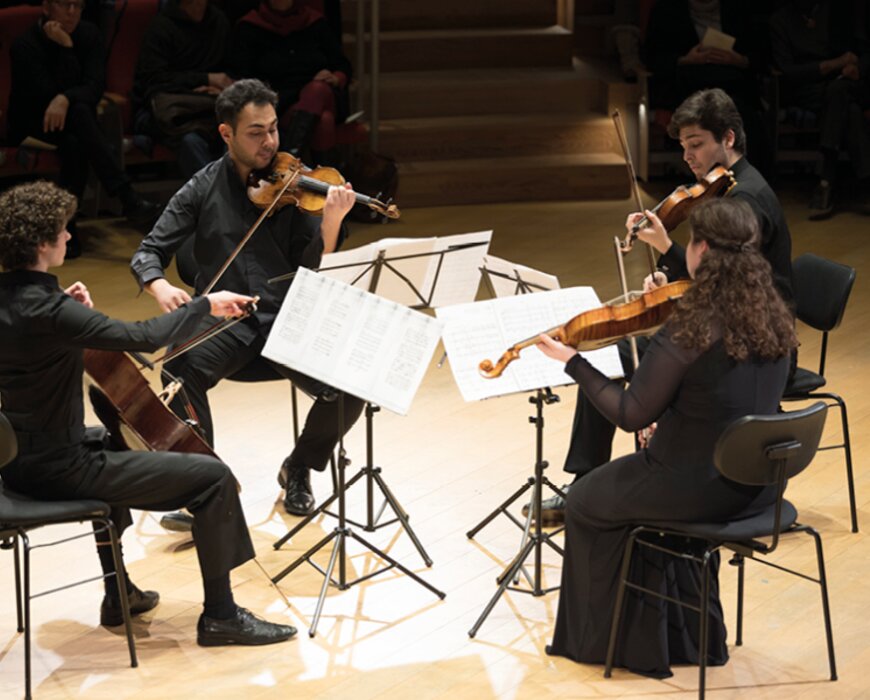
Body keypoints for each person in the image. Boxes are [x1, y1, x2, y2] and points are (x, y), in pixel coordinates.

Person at [0, 180, 296, 646]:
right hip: (60, 470)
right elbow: (142, 337)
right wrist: (206, 306)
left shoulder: (17, 303)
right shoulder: (51, 311)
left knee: (112, 436)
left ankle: (120, 595)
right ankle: (221, 615)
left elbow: (40, 347)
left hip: (16, 464)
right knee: (212, 478)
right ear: (41, 243)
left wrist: (74, 318)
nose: (70, 237)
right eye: (62, 231)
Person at [539, 197, 798, 676]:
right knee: (625, 490)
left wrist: (573, 362)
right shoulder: (774, 316)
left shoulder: (689, 327)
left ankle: (615, 642)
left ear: (699, 250)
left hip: (696, 489)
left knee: (585, 500)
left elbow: (631, 414)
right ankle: (680, 632)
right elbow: (730, 399)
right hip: (758, 487)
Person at [529, 87, 795, 526]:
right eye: (684, 147)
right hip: (742, 327)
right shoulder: (730, 189)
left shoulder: (747, 202)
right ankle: (592, 476)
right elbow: (725, 283)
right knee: (622, 351)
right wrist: (673, 277)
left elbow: (739, 290)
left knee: (614, 356)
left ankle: (597, 483)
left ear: (728, 139)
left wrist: (671, 258)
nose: (689, 158)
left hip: (754, 344)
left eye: (697, 145)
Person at [131, 78, 362, 526]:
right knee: (178, 367)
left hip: (286, 320)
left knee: (352, 384)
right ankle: (205, 487)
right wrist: (159, 286)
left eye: (273, 128)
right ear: (226, 134)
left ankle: (299, 466)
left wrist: (332, 221)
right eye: (256, 132)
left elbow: (317, 270)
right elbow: (148, 251)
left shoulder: (296, 185)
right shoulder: (202, 187)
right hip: (228, 324)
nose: (269, 142)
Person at [8, 0, 162, 256]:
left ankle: (68, 228)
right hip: (33, 124)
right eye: (64, 5)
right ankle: (126, 198)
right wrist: (66, 53)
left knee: (76, 139)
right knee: (79, 116)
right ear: (46, 8)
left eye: (77, 6)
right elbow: (42, 95)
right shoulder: (25, 44)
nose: (71, 13)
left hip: (73, 124)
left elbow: (95, 87)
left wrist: (65, 97)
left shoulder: (88, 34)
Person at [643, 0, 771, 175]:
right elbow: (652, 58)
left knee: (740, 117)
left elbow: (763, 57)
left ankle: (746, 182)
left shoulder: (739, 9)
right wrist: (686, 60)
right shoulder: (667, 10)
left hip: (733, 86)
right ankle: (711, 182)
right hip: (688, 87)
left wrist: (738, 59)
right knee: (705, 117)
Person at [770, 0, 870, 219]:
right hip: (809, 89)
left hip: (846, 82)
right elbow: (788, 71)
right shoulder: (781, 20)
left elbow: (863, 52)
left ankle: (826, 182)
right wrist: (832, 65)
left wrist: (857, 68)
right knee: (848, 108)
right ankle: (864, 181)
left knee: (839, 92)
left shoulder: (841, 11)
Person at [227, 0, 353, 165]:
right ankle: (326, 185)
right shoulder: (249, 27)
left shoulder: (315, 22)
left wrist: (335, 77)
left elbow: (343, 65)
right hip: (280, 102)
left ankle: (286, 163)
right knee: (324, 121)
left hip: (322, 94)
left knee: (317, 89)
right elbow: (243, 77)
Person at [132, 0, 234, 179]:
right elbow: (153, 79)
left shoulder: (218, 21)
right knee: (191, 142)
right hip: (175, 114)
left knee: (236, 138)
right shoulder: (161, 26)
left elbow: (231, 70)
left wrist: (220, 88)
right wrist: (204, 79)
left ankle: (233, 200)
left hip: (211, 108)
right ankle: (215, 202)